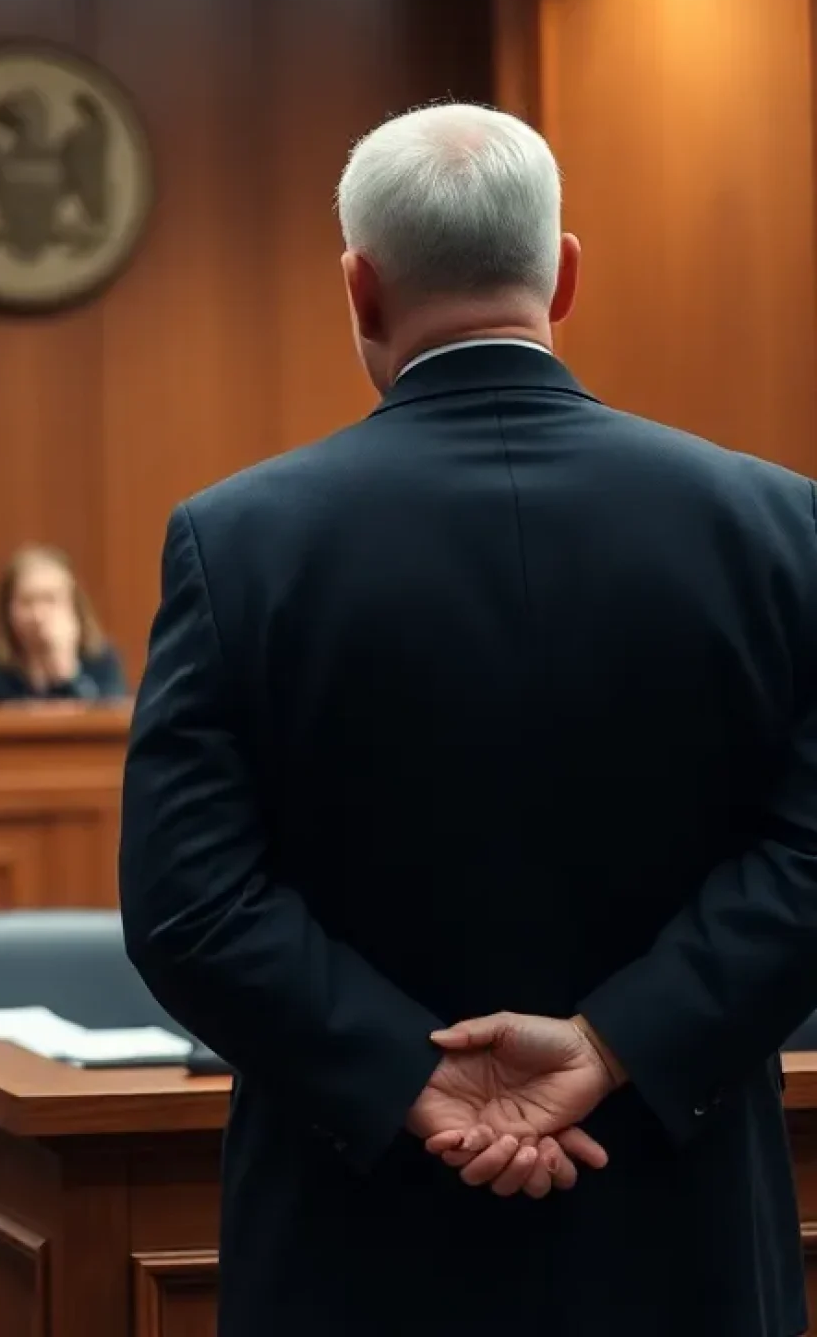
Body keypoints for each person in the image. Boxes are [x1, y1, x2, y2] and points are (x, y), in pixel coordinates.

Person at [119, 102, 817, 1337]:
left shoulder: (239, 542)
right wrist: (614, 1046)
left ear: (361, 286)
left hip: (359, 1227)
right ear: (564, 274)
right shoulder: (778, 529)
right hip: (672, 1219)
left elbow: (189, 904)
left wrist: (413, 1079)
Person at [0, 545, 124, 702]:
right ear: (7, 609)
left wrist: (67, 670)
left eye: (50, 600)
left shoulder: (100, 659)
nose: (38, 615)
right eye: (27, 602)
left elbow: (113, 725)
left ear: (73, 606)